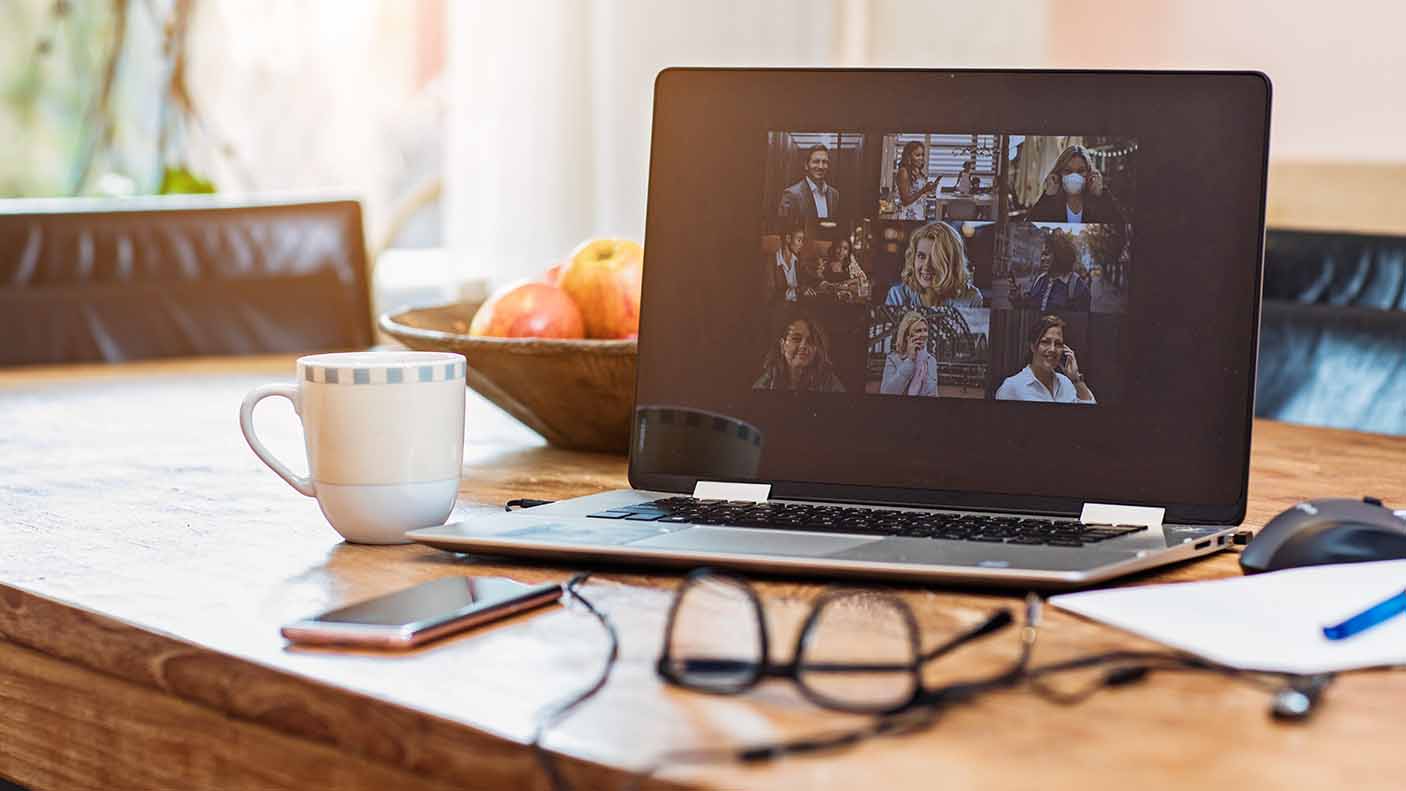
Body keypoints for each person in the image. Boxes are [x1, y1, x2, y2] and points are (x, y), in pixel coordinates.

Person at [995, 315, 1096, 403]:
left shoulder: (1068, 383)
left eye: (1058, 344)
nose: (1052, 349)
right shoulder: (1011, 387)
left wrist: (1076, 380)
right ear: (1033, 347)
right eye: (1045, 342)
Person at [884, 221, 984, 308]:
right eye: (921, 256)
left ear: (951, 262)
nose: (926, 266)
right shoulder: (897, 296)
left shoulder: (971, 298)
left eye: (936, 258)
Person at [1028, 144, 1124, 224]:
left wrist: (1101, 195)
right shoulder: (1051, 202)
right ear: (1059, 174)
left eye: (1081, 171)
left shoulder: (1097, 201)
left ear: (1089, 173)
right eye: (1068, 171)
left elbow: (1121, 227)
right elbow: (1029, 228)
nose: (1074, 175)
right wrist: (1048, 196)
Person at [752, 316, 846, 392]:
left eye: (810, 341)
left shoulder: (829, 383)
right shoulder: (766, 383)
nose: (803, 346)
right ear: (782, 345)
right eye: (796, 339)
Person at [1012, 231, 1091, 312]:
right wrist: (1018, 301)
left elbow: (1082, 322)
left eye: (1047, 254)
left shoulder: (1079, 288)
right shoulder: (1040, 280)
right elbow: (1029, 309)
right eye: (1042, 254)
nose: (1042, 259)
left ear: (1060, 255)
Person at [880, 311, 939, 396]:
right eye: (918, 331)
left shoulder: (931, 361)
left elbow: (934, 394)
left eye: (925, 330)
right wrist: (910, 360)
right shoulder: (893, 359)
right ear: (907, 337)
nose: (924, 334)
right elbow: (886, 392)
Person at [779, 144, 840, 223]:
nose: (821, 166)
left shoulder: (834, 194)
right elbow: (784, 229)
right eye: (816, 162)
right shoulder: (791, 195)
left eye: (824, 162)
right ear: (806, 165)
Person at [893, 141, 942, 221]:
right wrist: (923, 190)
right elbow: (905, 201)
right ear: (908, 156)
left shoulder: (918, 172)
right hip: (907, 217)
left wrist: (931, 189)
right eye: (917, 155)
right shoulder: (903, 172)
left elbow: (919, 195)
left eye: (922, 155)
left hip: (919, 216)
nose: (921, 158)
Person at [813, 237, 869, 302]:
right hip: (830, 300)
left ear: (848, 252)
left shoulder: (850, 265)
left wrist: (847, 283)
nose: (841, 252)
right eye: (839, 247)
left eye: (845, 248)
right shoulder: (824, 265)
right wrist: (839, 286)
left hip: (848, 301)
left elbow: (863, 279)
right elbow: (820, 285)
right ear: (834, 248)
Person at [765, 227, 806, 304]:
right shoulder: (771, 262)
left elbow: (808, 277)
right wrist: (797, 291)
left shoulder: (797, 261)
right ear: (788, 238)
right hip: (779, 311)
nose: (802, 244)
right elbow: (769, 295)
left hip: (799, 308)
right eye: (799, 240)